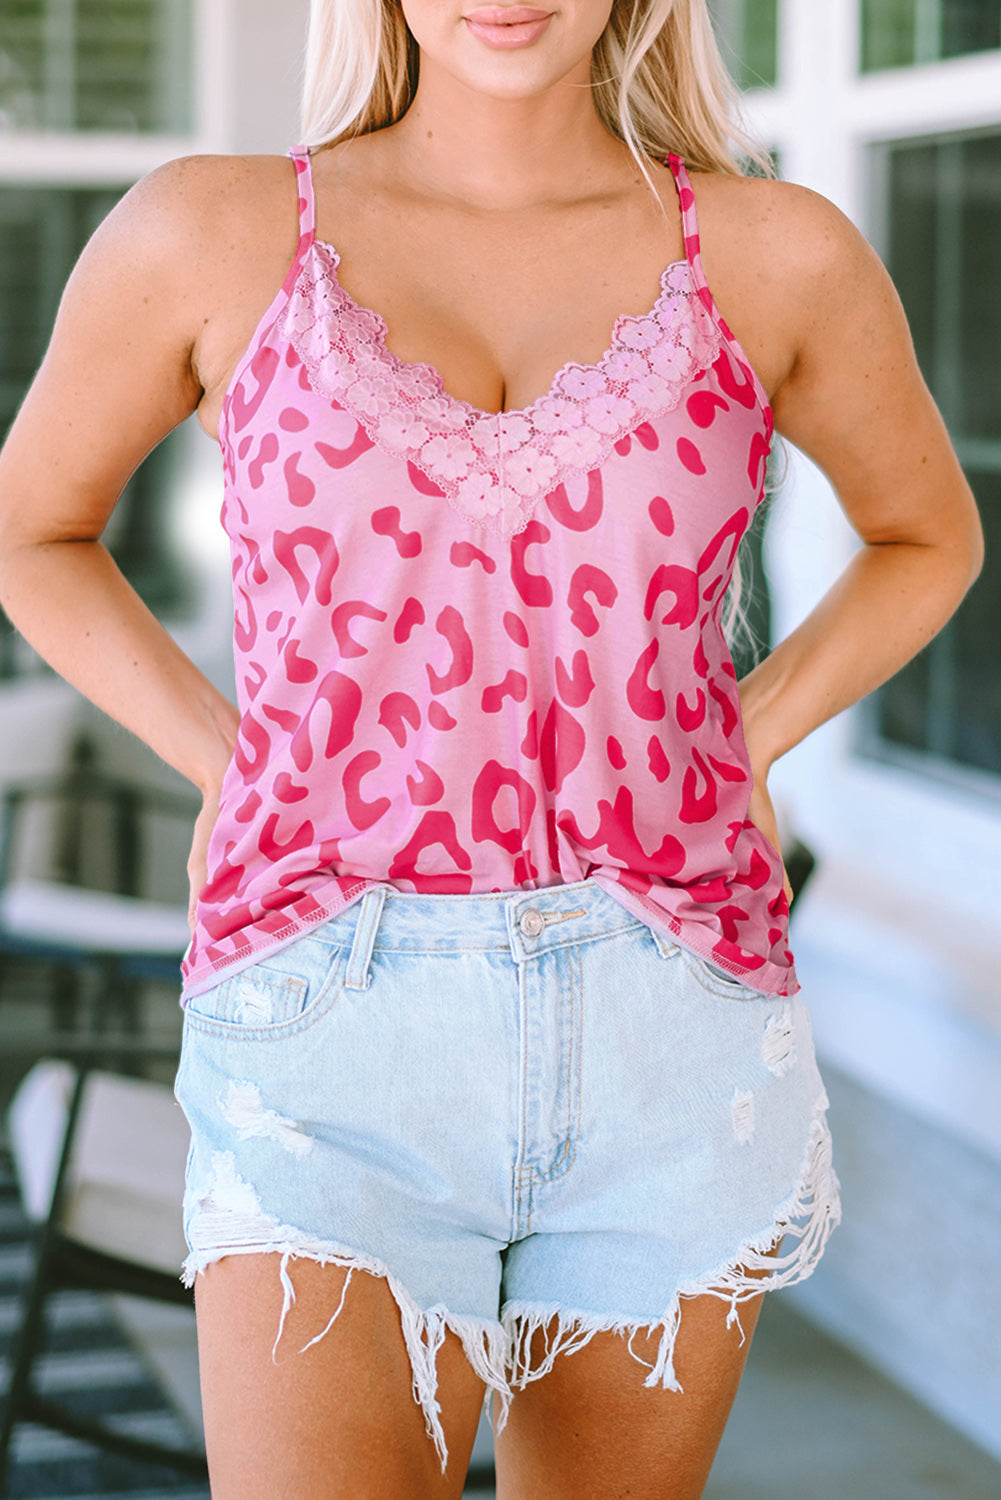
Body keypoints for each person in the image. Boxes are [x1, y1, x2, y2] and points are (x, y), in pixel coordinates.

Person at [0, 0, 982, 1494]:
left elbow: (926, 537)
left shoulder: (777, 250)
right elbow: (32, 532)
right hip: (328, 1014)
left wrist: (746, 733)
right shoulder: (212, 229)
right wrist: (218, 755)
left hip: (675, 1011)